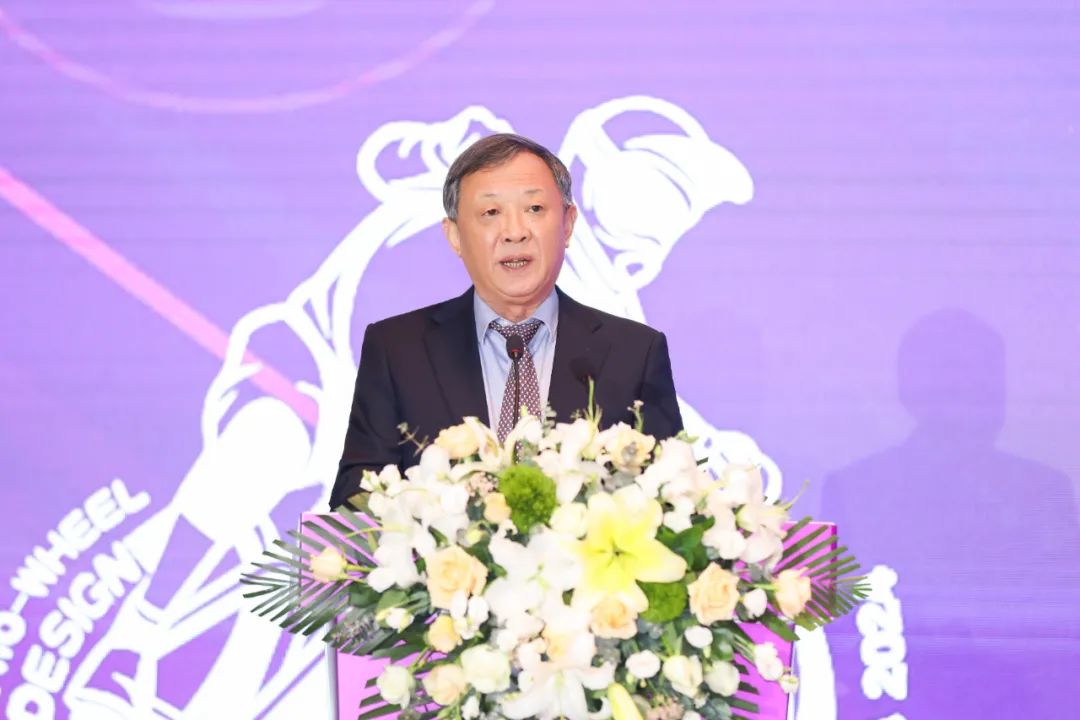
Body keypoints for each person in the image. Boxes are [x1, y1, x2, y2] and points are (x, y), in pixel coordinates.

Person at [330, 133, 683, 508]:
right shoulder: (398, 350)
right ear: (454, 236)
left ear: (567, 224)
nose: (515, 232)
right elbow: (356, 500)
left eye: (535, 208)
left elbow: (675, 499)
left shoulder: (635, 352)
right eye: (491, 213)